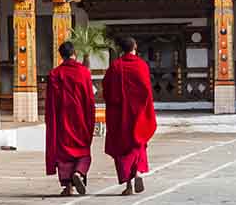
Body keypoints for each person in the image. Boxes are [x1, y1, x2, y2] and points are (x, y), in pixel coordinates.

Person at [101, 36, 157, 195]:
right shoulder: (141, 65)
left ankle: (128, 186)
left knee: (122, 148)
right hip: (138, 114)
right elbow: (147, 90)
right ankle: (138, 171)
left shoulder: (115, 67)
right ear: (135, 47)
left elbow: (107, 91)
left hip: (120, 116)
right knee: (138, 143)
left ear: (120, 49)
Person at [45, 41, 95, 196]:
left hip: (62, 120)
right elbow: (89, 99)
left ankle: (68, 187)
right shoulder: (84, 72)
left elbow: (50, 102)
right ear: (75, 53)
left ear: (61, 56)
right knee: (82, 150)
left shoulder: (54, 74)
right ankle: (79, 173)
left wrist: (51, 121)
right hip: (80, 119)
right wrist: (90, 120)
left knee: (64, 154)